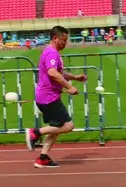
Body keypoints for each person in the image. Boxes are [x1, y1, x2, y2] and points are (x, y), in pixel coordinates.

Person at [25, 25, 86, 168]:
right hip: (48, 97)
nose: (65, 43)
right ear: (55, 38)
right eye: (63, 40)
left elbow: (59, 73)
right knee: (68, 125)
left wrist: (75, 77)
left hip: (47, 96)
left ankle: (43, 158)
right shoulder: (51, 53)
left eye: (66, 40)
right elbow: (52, 73)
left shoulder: (52, 52)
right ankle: (35, 132)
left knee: (56, 127)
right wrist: (69, 87)